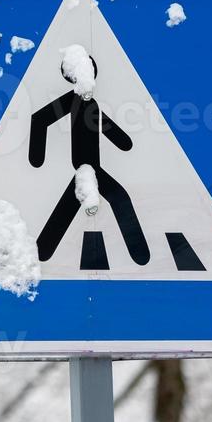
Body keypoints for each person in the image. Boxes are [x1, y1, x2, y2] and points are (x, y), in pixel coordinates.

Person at [29, 53, 150, 264]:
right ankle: (43, 250)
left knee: (113, 198)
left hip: (93, 166)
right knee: (113, 198)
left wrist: (123, 141)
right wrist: (37, 155)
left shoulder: (91, 104)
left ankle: (43, 250)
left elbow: (103, 124)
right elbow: (40, 119)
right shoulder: (69, 101)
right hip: (84, 166)